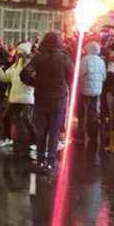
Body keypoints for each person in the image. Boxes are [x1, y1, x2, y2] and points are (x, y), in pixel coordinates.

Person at [20, 32, 73, 174]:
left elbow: (24, 73)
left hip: (41, 99)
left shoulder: (38, 58)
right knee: (54, 133)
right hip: (59, 101)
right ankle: (50, 162)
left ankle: (40, 160)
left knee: (41, 132)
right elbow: (72, 78)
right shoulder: (65, 59)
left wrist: (34, 83)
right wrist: (65, 88)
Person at [0, 42, 36, 157]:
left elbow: (33, 81)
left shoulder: (31, 66)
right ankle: (8, 138)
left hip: (27, 98)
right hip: (16, 98)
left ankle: (36, 141)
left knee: (27, 119)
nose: (17, 55)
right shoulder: (15, 66)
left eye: (19, 53)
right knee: (8, 117)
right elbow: (5, 77)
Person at [76, 41, 106, 146]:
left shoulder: (84, 60)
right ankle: (93, 134)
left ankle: (80, 135)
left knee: (82, 112)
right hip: (97, 91)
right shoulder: (101, 61)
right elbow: (104, 76)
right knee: (93, 112)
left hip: (84, 90)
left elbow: (79, 73)